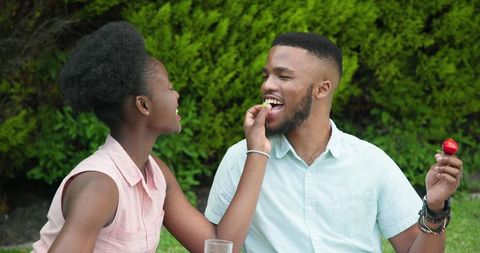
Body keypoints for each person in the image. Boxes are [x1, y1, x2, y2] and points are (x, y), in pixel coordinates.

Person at [205, 32, 463, 252]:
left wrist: (434, 207)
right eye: (266, 75)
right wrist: (256, 153)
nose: (267, 85)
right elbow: (220, 247)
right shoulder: (242, 158)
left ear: (322, 89)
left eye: (283, 77)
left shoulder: (370, 162)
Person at [32, 21, 272, 253]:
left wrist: (257, 150)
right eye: (169, 87)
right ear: (144, 105)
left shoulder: (156, 174)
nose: (176, 95)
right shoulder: (100, 186)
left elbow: (217, 244)